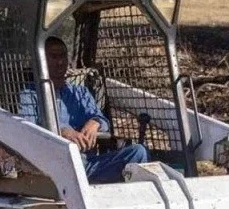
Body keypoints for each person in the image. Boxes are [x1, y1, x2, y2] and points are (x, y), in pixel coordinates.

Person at [19, 36, 149, 183]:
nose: (60, 62)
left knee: (138, 152)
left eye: (62, 56)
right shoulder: (30, 95)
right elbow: (28, 129)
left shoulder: (80, 92)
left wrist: (95, 123)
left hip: (88, 163)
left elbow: (102, 121)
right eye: (54, 57)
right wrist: (61, 131)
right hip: (57, 166)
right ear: (41, 61)